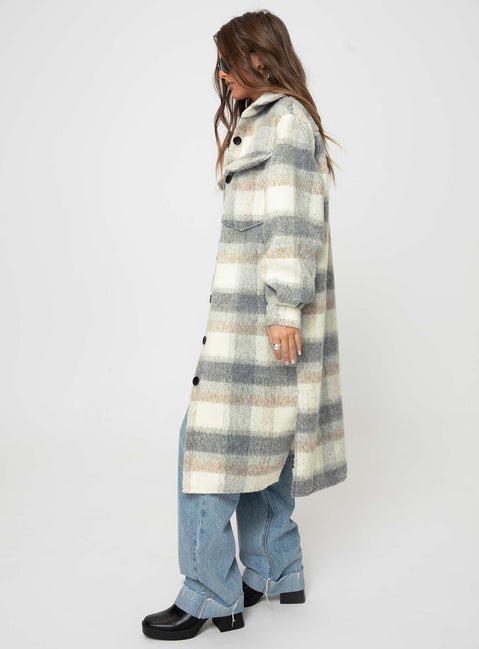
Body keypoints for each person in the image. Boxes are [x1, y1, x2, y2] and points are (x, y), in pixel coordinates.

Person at [142, 9, 348, 641]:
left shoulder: (284, 120)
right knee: (264, 445)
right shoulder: (271, 117)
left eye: (229, 61)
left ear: (261, 57)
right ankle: (273, 568)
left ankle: (211, 593)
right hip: (257, 321)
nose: (223, 74)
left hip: (265, 323)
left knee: (208, 448)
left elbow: (291, 221)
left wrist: (284, 310)